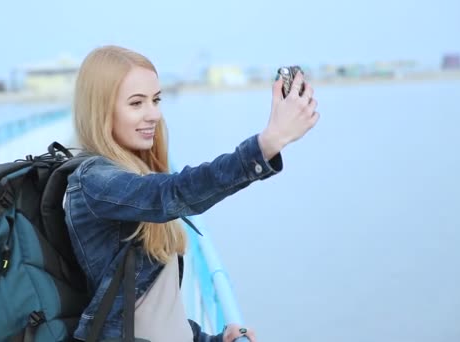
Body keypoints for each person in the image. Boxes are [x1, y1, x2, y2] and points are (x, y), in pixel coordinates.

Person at [63, 45, 319, 342]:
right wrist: (268, 143)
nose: (154, 114)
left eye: (156, 100)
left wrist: (209, 339)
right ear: (100, 109)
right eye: (136, 103)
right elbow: (174, 192)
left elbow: (151, 311)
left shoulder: (134, 174)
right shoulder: (94, 182)